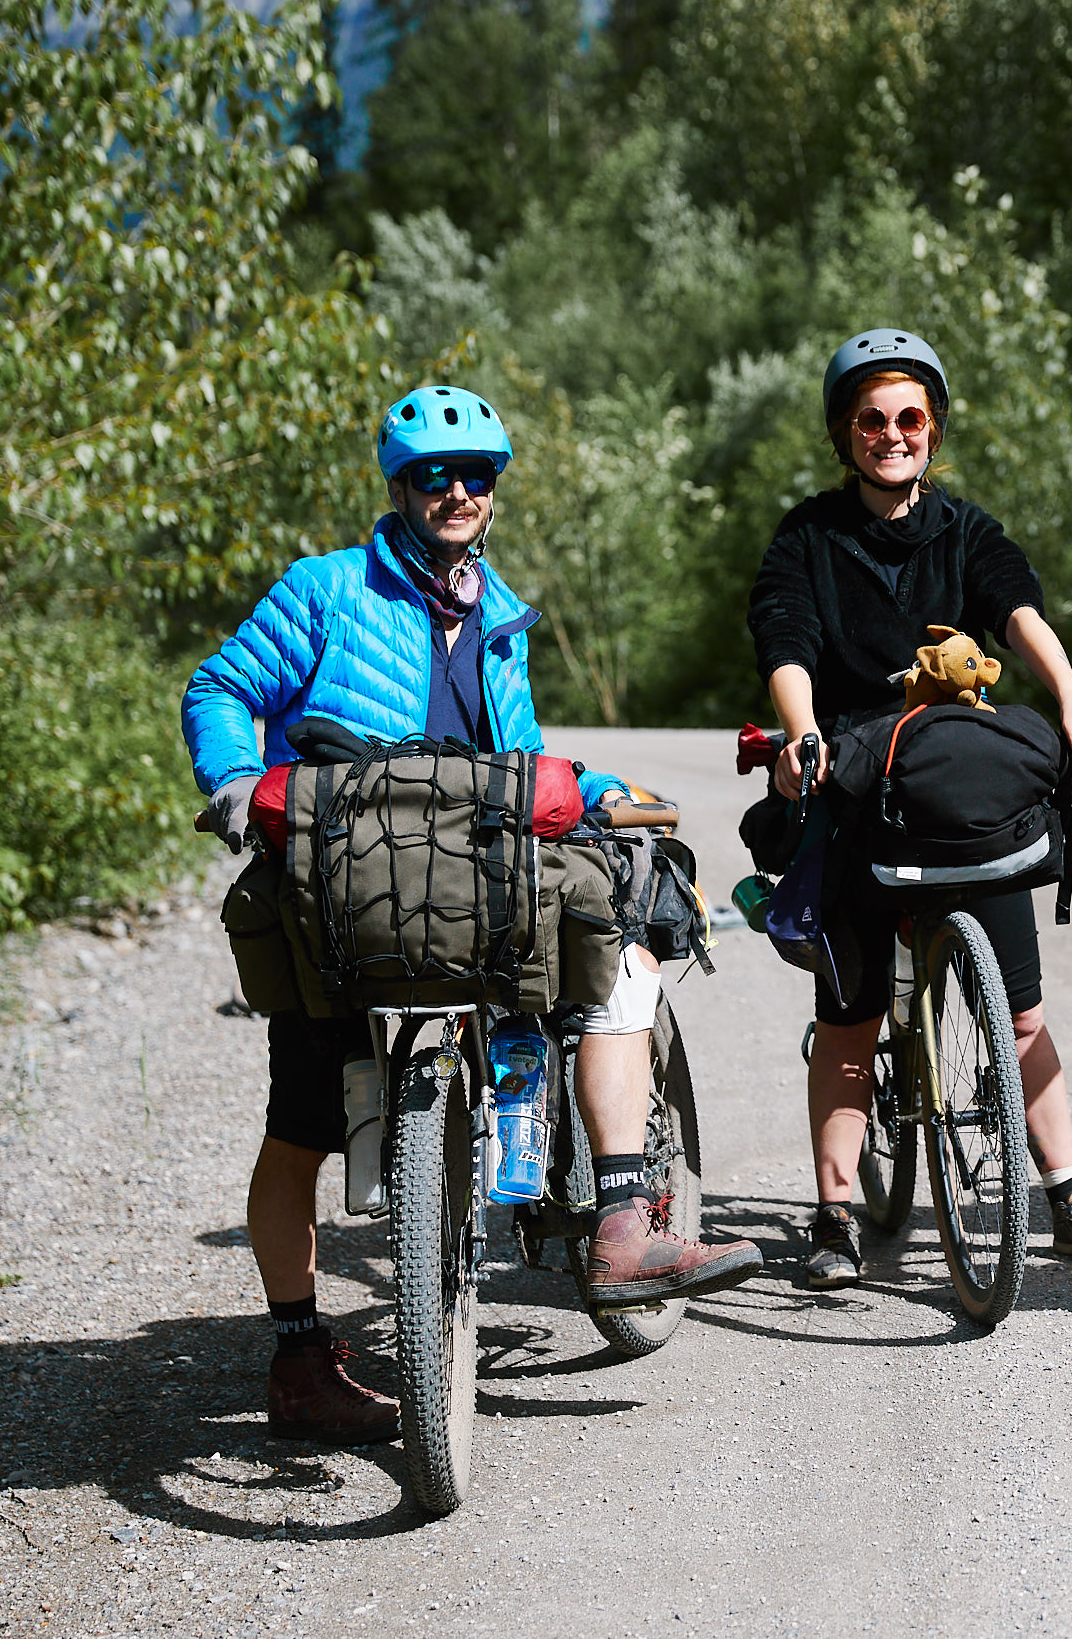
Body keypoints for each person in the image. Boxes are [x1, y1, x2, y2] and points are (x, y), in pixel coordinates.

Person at [182, 384, 761, 1444]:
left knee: (614, 943)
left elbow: (519, 753)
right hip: (351, 880)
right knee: (299, 1130)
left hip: (471, 871)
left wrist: (591, 789)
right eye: (433, 476)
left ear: (494, 489)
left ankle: (617, 1209)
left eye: (477, 475)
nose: (457, 492)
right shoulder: (324, 588)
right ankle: (301, 1352)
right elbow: (218, 688)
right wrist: (234, 786)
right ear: (398, 487)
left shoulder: (499, 613)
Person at [748, 329, 1072, 1288]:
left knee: (1021, 1020)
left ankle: (1070, 1191)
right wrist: (801, 731)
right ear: (846, 433)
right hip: (849, 776)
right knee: (850, 1019)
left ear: (934, 427)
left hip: (955, 791)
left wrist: (1071, 693)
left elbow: (1018, 611)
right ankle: (835, 1215)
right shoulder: (807, 536)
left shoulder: (965, 530)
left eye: (910, 417)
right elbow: (787, 639)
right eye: (873, 420)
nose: (893, 435)